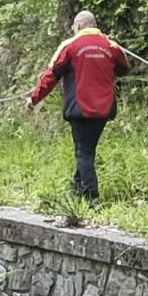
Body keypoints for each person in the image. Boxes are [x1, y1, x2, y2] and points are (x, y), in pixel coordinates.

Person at [27, 11, 129, 205]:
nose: (73, 30)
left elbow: (52, 75)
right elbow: (124, 68)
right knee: (87, 150)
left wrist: (34, 99)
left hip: (80, 108)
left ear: (80, 25)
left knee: (83, 152)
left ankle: (92, 197)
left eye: (74, 27)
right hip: (104, 109)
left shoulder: (70, 46)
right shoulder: (110, 45)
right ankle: (77, 189)